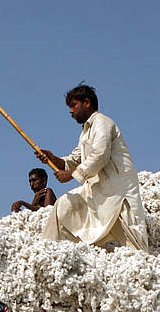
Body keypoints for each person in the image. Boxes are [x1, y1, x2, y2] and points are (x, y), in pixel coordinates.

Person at [34, 83, 149, 250]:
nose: (70, 111)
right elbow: (74, 159)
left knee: (131, 244)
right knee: (64, 205)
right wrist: (52, 158)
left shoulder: (103, 123)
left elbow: (100, 155)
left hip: (116, 192)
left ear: (86, 103)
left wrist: (71, 174)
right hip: (98, 191)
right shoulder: (86, 132)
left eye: (73, 105)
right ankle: (51, 250)